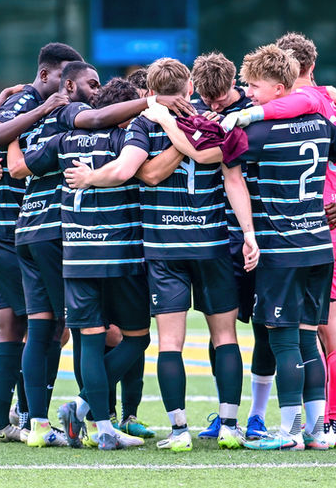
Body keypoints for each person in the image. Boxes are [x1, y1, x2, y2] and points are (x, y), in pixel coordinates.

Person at [70, 57, 258, 451]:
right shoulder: (211, 121)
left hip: (164, 248)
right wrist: (248, 233)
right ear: (190, 89)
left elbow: (132, 172)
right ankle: (228, 425)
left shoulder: (143, 123)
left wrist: (88, 177)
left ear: (150, 93)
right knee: (225, 337)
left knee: (170, 343)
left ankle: (179, 431)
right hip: (210, 243)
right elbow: (232, 177)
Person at [223, 32, 336, 447]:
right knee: (310, 336)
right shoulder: (321, 122)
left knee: (283, 337)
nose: (247, 93)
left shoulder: (258, 131)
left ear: (278, 88)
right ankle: (317, 430)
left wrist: (250, 235)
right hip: (319, 247)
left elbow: (227, 170)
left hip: (281, 248)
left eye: (253, 86)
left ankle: (288, 431)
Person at [18, 77, 151, 449]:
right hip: (119, 254)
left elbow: (19, 168)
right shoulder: (125, 139)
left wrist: (2, 141)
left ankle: (103, 429)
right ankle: (82, 405)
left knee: (89, 341)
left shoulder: (63, 141)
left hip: (75, 254)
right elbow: (141, 172)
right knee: (138, 337)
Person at [0, 42, 84, 444]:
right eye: (62, 78)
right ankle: (29, 417)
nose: (67, 87)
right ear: (45, 75)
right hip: (8, 227)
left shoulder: (34, 103)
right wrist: (33, 107)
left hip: (3, 227)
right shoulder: (32, 101)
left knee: (13, 322)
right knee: (50, 322)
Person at [188, 51, 274, 442]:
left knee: (266, 325)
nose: (213, 104)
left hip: (262, 229)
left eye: (219, 97)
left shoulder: (256, 109)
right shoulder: (195, 109)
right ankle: (227, 414)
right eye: (206, 98)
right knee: (219, 326)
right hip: (217, 234)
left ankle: (257, 414)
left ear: (234, 87)